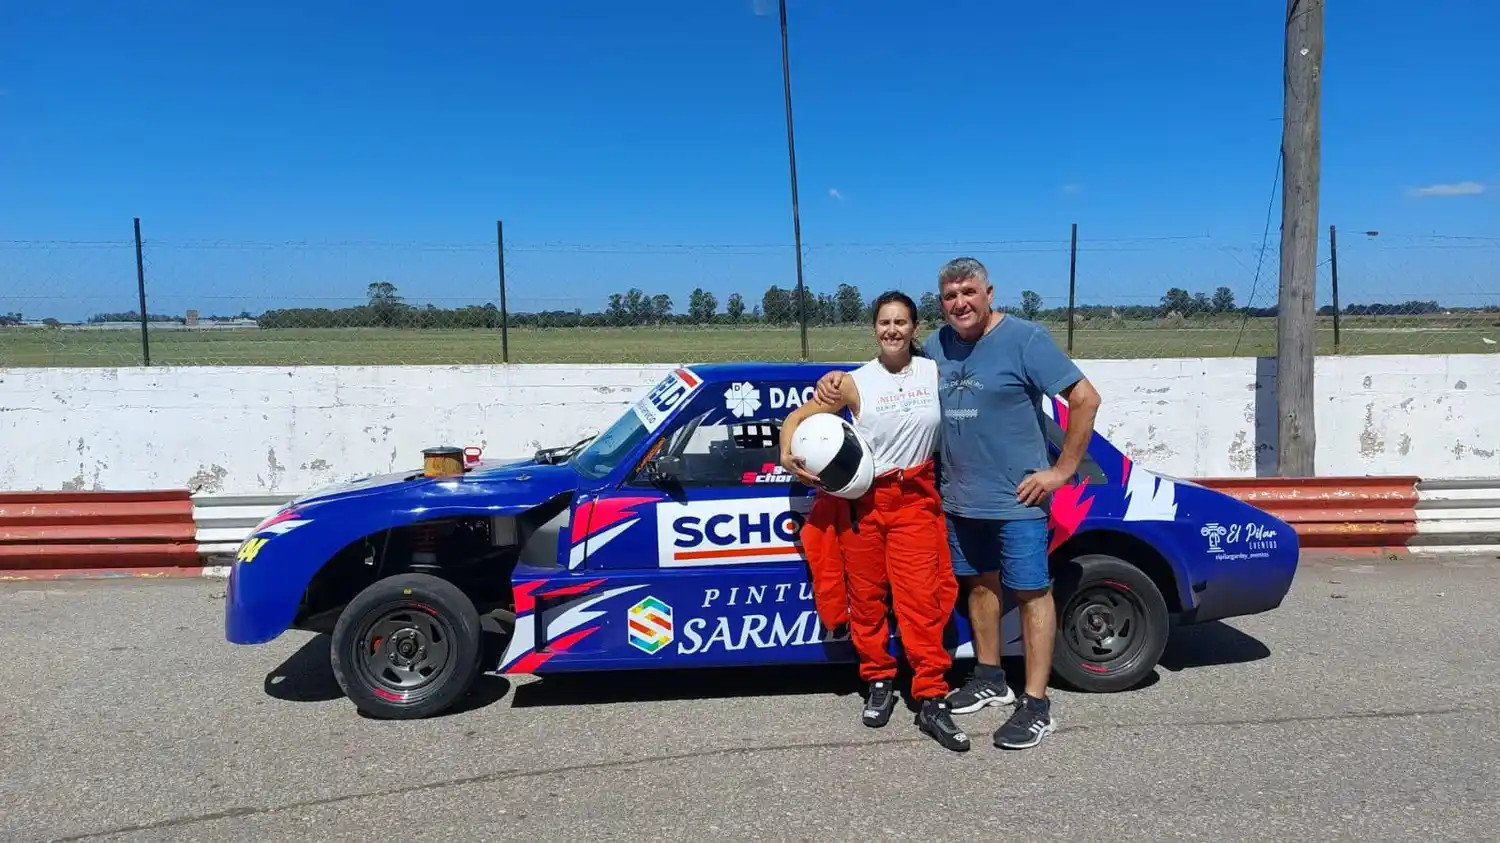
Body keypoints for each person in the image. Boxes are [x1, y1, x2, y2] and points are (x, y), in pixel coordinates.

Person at [812, 257, 1101, 751]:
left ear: (990, 292)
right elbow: (884, 374)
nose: (960, 303)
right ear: (940, 305)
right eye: (950, 296)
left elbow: (1085, 398)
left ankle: (1036, 703)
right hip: (960, 500)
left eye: (969, 292)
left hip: (1019, 497)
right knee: (981, 589)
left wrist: (1062, 471)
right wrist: (833, 379)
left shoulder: (1025, 338)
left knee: (1032, 593)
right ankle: (990, 677)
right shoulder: (939, 349)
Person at [783, 290, 969, 752]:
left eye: (900, 322)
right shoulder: (853, 382)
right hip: (866, 501)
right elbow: (798, 418)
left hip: (916, 499)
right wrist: (788, 454)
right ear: (874, 328)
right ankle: (879, 681)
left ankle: (930, 696)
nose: (892, 330)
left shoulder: (934, 370)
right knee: (866, 601)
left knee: (921, 602)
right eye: (884, 322)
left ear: (914, 328)